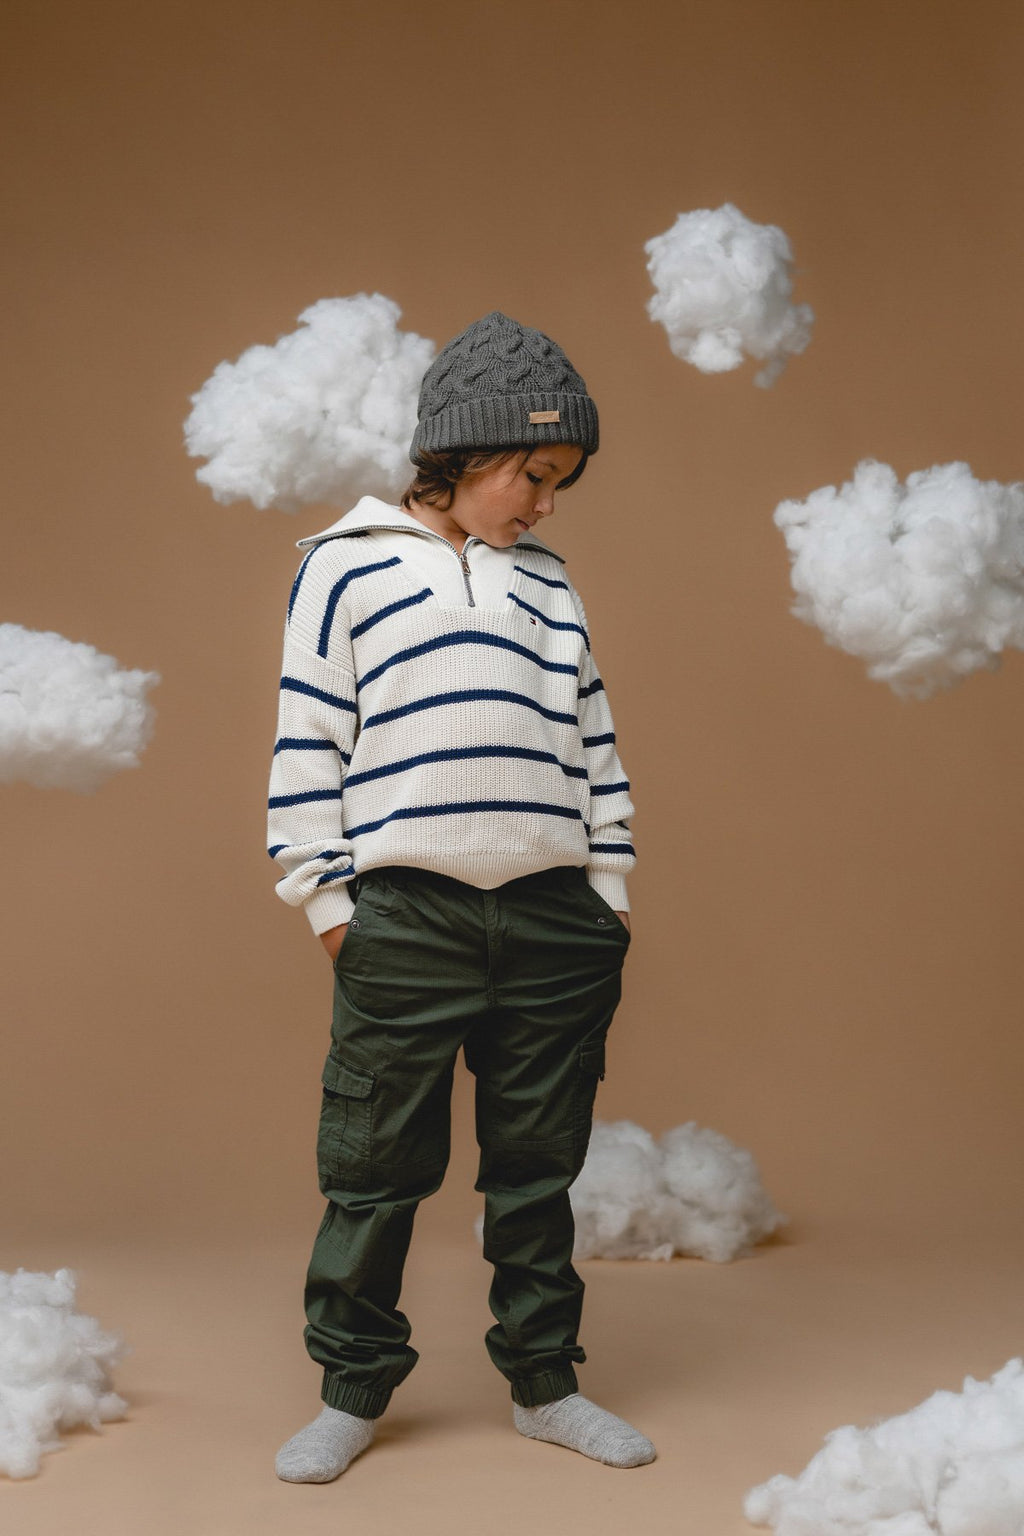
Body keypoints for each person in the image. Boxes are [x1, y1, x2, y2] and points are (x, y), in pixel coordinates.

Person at [266, 311, 654, 1481]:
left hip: (551, 920)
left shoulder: (549, 584)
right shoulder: (341, 566)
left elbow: (591, 736)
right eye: (535, 475)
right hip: (406, 920)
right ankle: (351, 1388)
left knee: (536, 1170)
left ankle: (544, 1384)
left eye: (561, 484)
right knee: (375, 1169)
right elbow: (305, 746)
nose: (545, 503)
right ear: (464, 453)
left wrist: (609, 889)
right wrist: (331, 907)